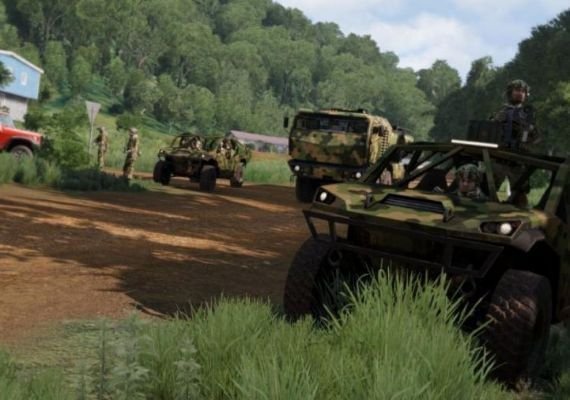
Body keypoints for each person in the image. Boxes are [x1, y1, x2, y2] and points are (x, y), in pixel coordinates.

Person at [491, 79, 541, 150]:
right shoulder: (499, 111)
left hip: (519, 151)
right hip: (499, 149)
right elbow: (489, 131)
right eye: (517, 90)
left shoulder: (528, 114)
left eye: (523, 91)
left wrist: (527, 134)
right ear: (510, 92)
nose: (520, 93)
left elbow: (537, 138)